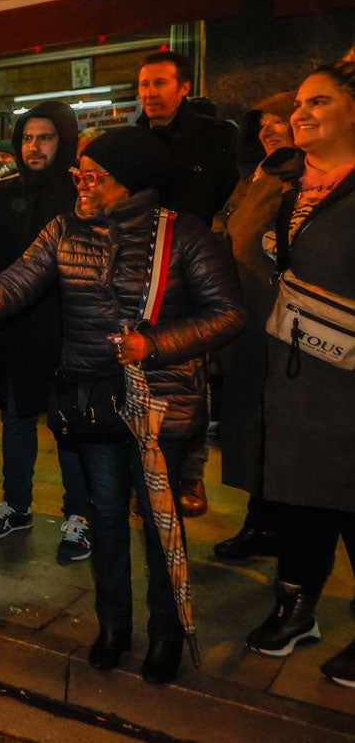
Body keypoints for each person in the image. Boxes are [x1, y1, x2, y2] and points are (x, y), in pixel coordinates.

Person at [0, 127, 244, 686]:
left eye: (92, 175)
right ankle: (113, 626)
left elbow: (228, 314)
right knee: (104, 517)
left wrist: (153, 344)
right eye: (78, 174)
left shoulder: (183, 237)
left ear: (127, 182)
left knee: (161, 525)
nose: (80, 185)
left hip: (159, 404)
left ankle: (166, 634)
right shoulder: (63, 230)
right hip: (92, 402)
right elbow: (9, 286)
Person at [244, 62, 355, 689]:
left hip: (348, 373)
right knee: (299, 492)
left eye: (320, 102)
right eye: (298, 105)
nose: (301, 113)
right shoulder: (287, 185)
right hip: (292, 366)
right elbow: (240, 244)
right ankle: (296, 609)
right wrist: (271, 178)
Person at [0, 101, 92, 564]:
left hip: (69, 328)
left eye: (45, 137)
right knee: (16, 419)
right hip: (16, 330)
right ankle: (17, 505)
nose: (34, 146)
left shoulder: (80, 195)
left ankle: (79, 516)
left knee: (70, 426)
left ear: (64, 141)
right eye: (27, 137)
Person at [137, 50, 240, 517]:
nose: (150, 94)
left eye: (159, 84)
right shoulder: (132, 138)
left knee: (192, 370)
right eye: (143, 85)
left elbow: (218, 193)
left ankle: (191, 474)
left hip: (193, 262)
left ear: (182, 87)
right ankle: (149, 473)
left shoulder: (214, 136)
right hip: (140, 264)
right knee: (144, 370)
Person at [210, 92, 297, 560]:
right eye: (260, 123)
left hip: (277, 327)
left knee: (277, 433)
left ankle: (284, 533)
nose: (267, 129)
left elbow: (247, 240)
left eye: (278, 120)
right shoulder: (255, 176)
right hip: (244, 323)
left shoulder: (296, 180)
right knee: (251, 431)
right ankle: (262, 521)